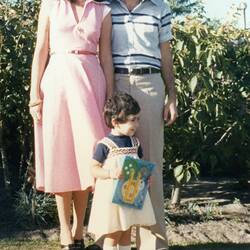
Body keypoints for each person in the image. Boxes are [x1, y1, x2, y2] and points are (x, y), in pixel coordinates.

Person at [29, 0, 113, 249]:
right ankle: (66, 233)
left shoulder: (103, 10)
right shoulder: (51, 5)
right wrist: (34, 95)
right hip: (57, 85)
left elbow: (106, 55)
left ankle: (79, 229)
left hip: (91, 86)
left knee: (90, 159)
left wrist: (110, 96)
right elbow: (40, 50)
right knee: (61, 157)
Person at [110, 0, 178, 249]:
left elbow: (166, 53)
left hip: (150, 84)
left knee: (148, 165)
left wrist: (172, 95)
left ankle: (153, 244)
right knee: (123, 165)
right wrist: (108, 94)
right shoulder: (107, 6)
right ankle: (120, 242)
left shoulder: (160, 7)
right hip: (116, 83)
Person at [88, 93, 156, 250]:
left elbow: (140, 163)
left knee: (127, 230)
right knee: (114, 233)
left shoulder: (135, 142)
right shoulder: (105, 145)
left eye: (138, 119)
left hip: (130, 195)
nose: (137, 124)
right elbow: (93, 168)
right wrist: (111, 173)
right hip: (112, 199)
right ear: (115, 122)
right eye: (133, 120)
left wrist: (145, 177)